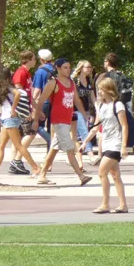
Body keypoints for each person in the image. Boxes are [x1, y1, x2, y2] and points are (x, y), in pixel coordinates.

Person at [33, 58, 93, 186]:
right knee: (70, 149)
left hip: (67, 120)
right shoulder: (53, 83)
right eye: (65, 67)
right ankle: (81, 176)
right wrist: (36, 119)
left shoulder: (71, 83)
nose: (68, 70)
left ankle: (42, 175)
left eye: (69, 67)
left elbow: (76, 100)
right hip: (58, 120)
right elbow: (41, 100)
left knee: (54, 148)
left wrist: (84, 114)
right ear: (58, 69)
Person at [100, 53, 134, 165]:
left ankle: (104, 156)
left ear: (107, 62)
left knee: (113, 129)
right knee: (129, 128)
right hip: (123, 105)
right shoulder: (122, 75)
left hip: (113, 107)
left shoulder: (106, 77)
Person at [0, 74, 41, 184]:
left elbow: (18, 94)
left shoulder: (10, 88)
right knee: (1, 146)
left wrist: (13, 109)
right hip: (6, 119)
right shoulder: (4, 89)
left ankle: (35, 167)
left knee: (18, 145)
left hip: (10, 119)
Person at [93, 77, 129, 213]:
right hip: (106, 142)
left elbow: (124, 126)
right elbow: (97, 126)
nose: (99, 93)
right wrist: (85, 142)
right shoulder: (101, 106)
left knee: (102, 172)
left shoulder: (118, 105)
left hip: (115, 143)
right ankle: (123, 205)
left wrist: (123, 146)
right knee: (115, 175)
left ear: (108, 90)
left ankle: (105, 204)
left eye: (101, 90)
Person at [8, 50, 38, 176]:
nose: (35, 61)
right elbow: (19, 93)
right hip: (22, 109)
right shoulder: (21, 72)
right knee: (31, 132)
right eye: (34, 58)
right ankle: (17, 160)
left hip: (26, 108)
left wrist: (35, 107)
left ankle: (15, 163)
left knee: (18, 137)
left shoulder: (27, 72)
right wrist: (24, 110)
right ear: (29, 59)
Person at [72, 61, 98, 167]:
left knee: (77, 136)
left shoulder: (88, 80)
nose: (90, 69)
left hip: (86, 110)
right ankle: (91, 156)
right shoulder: (74, 80)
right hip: (75, 110)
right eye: (87, 67)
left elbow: (92, 97)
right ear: (81, 68)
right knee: (84, 132)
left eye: (91, 67)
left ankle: (75, 158)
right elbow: (75, 98)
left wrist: (98, 108)